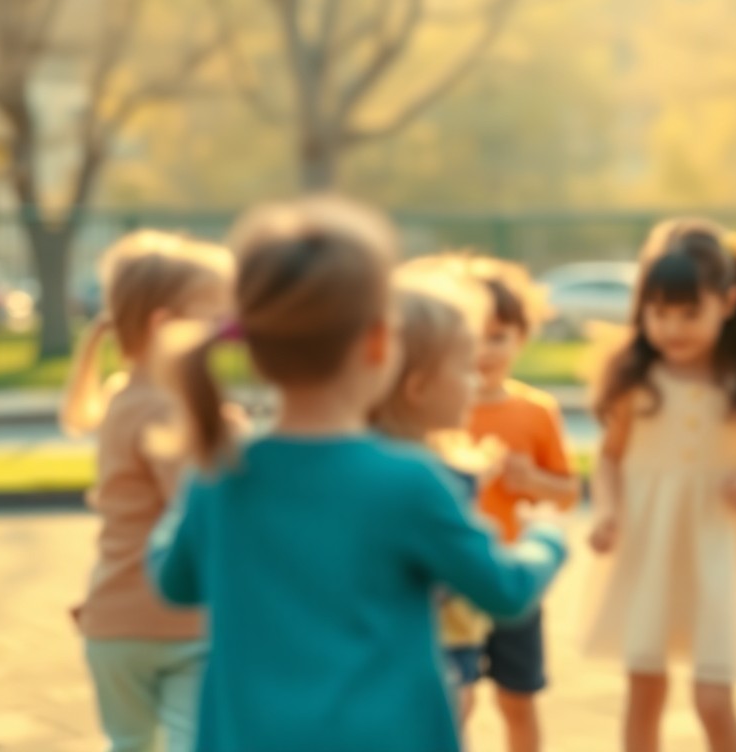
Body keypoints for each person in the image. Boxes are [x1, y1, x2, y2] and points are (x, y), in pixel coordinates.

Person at [144, 196, 569, 752]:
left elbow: (174, 582)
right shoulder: (407, 482)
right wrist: (546, 540)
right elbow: (504, 592)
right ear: (377, 342)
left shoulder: (221, 473)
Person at [581, 219, 736, 752]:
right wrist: (606, 511)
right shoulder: (635, 379)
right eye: (659, 313)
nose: (672, 329)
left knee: (714, 701)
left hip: (717, 550)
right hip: (646, 548)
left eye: (689, 313)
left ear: (728, 302)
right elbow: (608, 459)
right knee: (644, 690)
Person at [60, 231, 233, 752]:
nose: (227, 334)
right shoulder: (169, 411)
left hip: (112, 625)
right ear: (165, 327)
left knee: (131, 743)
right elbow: (202, 505)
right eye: (214, 320)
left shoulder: (121, 397)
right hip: (179, 623)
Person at [370, 260, 497, 732]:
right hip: (418, 657)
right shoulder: (432, 479)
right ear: (418, 386)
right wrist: (545, 544)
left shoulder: (347, 462)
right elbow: (496, 587)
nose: (478, 383)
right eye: (467, 369)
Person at [460, 257, 578, 752]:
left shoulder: (535, 411)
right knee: (454, 699)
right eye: (472, 336)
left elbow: (568, 493)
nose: (484, 351)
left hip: (514, 573)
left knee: (518, 700)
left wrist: (533, 481)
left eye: (498, 336)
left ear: (521, 338)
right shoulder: (433, 408)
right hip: (452, 578)